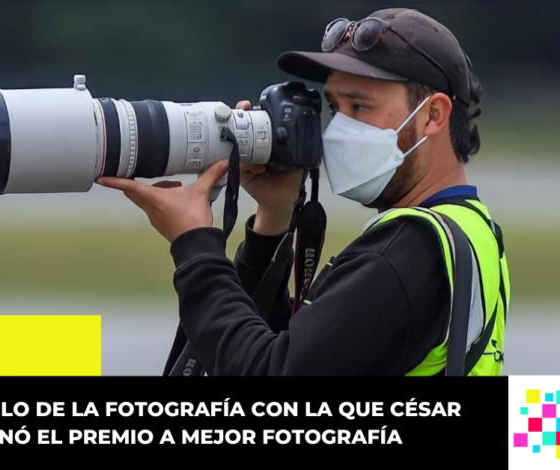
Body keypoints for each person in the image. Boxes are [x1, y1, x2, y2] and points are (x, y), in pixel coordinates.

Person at [96, 8, 510, 376]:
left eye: (360, 107)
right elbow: (292, 348)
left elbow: (265, 372)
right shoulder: (473, 230)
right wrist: (274, 220)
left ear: (433, 116)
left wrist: (194, 247)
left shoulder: (402, 253)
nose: (339, 130)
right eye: (335, 108)